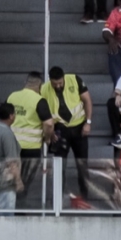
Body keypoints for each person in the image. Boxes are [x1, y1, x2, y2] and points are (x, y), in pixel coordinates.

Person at [40, 65, 93, 201]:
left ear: (63, 78)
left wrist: (88, 122)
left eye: (60, 83)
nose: (57, 86)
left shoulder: (74, 80)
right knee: (59, 165)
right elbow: (44, 114)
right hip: (60, 129)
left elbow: (87, 100)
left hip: (79, 127)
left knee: (82, 164)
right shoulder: (44, 89)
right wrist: (50, 133)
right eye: (54, 83)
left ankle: (85, 197)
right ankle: (58, 198)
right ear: (49, 80)